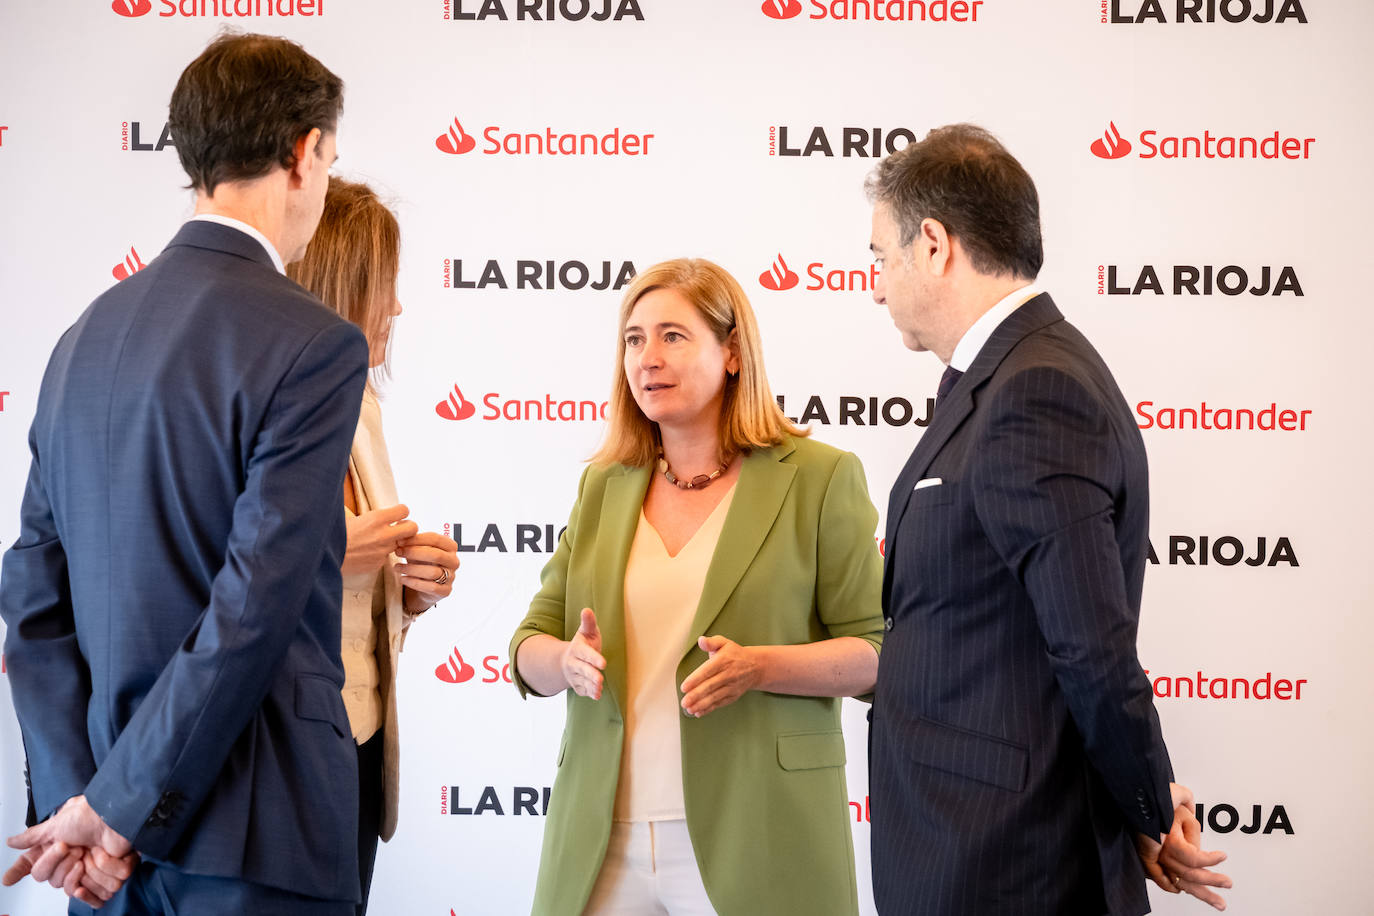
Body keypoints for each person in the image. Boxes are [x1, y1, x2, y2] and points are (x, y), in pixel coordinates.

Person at [0, 33, 368, 914]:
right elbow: (253, 608)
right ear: (302, 152)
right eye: (330, 157)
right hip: (255, 833)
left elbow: (33, 592)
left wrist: (76, 802)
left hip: (103, 843)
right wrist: (114, 811)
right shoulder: (316, 343)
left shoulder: (81, 338)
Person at [864, 123, 1232, 915]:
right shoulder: (1006, 378)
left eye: (881, 258)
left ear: (933, 245)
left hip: (1001, 860)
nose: (876, 285)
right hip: (968, 845)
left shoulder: (1035, 390)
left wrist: (1146, 807)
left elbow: (1094, 649)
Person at [509, 258, 884, 916]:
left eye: (672, 336)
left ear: (733, 352)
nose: (647, 357)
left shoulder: (820, 478)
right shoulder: (603, 485)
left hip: (760, 832)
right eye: (633, 339)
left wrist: (760, 666)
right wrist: (564, 660)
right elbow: (529, 648)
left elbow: (875, 656)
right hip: (604, 838)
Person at [287, 177, 461, 915]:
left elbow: (358, 580)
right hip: (281, 756)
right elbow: (220, 577)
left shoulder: (362, 402)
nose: (395, 306)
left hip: (358, 747)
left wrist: (410, 587)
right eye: (382, 285)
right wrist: (334, 552)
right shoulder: (259, 399)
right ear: (337, 283)